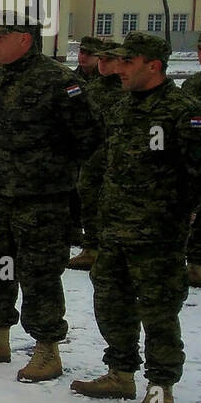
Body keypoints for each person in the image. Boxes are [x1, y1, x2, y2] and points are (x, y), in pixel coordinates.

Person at [70, 32, 201, 403]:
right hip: (114, 226)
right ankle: (120, 372)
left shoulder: (184, 112)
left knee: (159, 310)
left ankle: (160, 387)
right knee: (110, 299)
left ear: (153, 65)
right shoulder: (122, 107)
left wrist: (181, 213)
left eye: (128, 62)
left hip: (157, 233)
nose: (119, 68)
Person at [0, 20, 100, 381]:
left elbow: (88, 136)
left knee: (38, 271)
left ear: (25, 39)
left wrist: (51, 168)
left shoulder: (56, 80)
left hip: (40, 197)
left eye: (0, 39)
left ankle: (46, 348)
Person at [67, 37, 125, 270]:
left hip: (119, 156)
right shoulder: (89, 88)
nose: (102, 63)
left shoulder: (126, 88)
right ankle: (91, 247)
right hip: (92, 156)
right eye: (100, 58)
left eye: (107, 59)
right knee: (88, 198)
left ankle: (113, 248)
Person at [181, 29, 201, 288]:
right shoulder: (192, 85)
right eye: (200, 50)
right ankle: (194, 265)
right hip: (198, 156)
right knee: (198, 216)